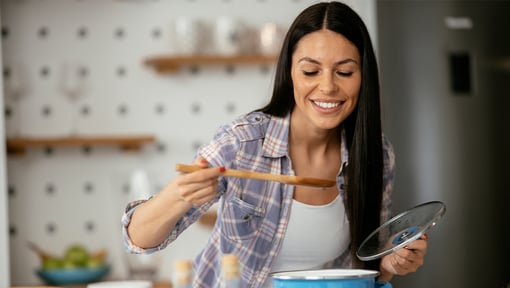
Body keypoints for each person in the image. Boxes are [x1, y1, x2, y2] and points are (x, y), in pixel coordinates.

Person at [122, 2, 428, 287]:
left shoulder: (377, 154)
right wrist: (180, 193)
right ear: (290, 73)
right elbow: (137, 239)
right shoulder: (242, 143)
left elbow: (369, 265)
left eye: (345, 72)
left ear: (363, 77)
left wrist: (391, 261)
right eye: (310, 71)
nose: (327, 87)